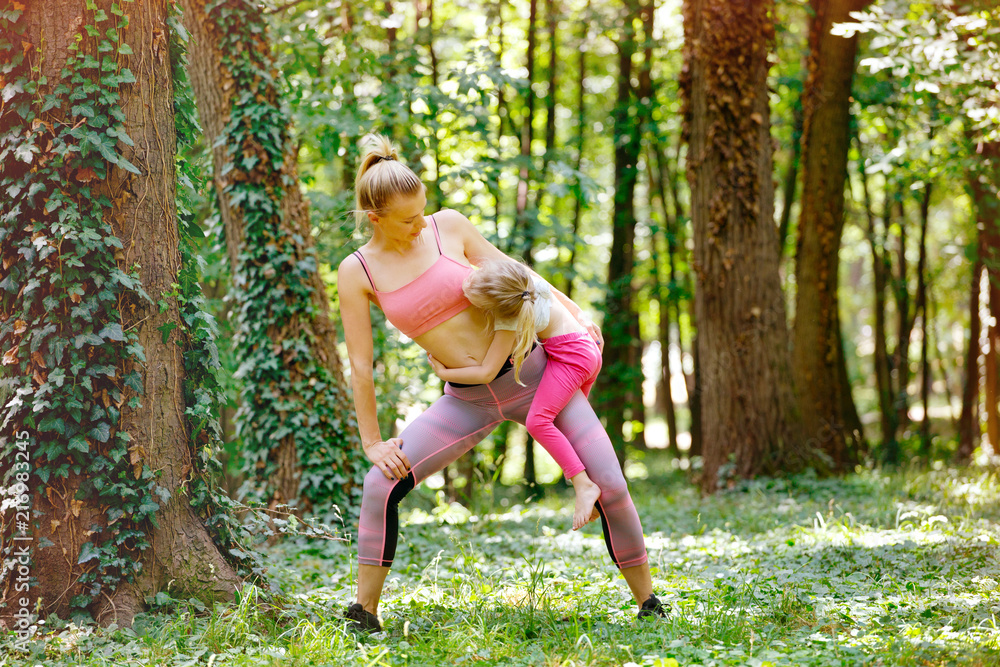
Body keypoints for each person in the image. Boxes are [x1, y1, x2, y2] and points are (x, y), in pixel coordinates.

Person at [337, 134, 665, 632]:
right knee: (379, 484)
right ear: (375, 218)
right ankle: (365, 613)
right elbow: (362, 366)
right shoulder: (356, 271)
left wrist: (576, 313)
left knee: (611, 486)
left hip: (537, 375)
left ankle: (648, 603)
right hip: (465, 402)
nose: (421, 224)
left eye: (422, 211)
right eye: (408, 219)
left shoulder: (447, 226)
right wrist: (372, 440)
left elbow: (519, 275)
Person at [426, 259, 604, 532]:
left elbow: (487, 372)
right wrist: (581, 314)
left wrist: (444, 373)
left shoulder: (510, 315)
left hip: (572, 357)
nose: (467, 283)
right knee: (571, 433)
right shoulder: (523, 280)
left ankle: (583, 485)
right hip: (581, 347)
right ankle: (591, 493)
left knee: (539, 422)